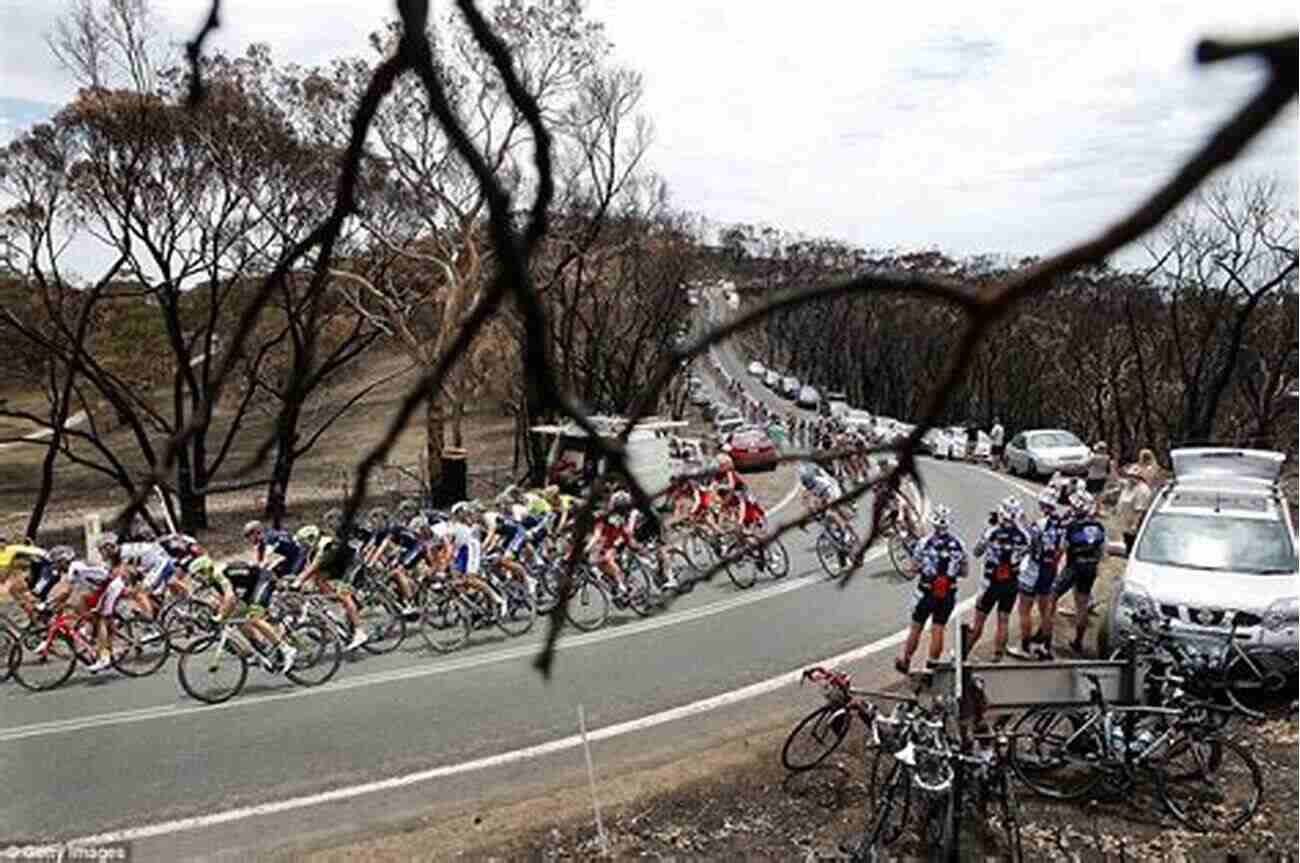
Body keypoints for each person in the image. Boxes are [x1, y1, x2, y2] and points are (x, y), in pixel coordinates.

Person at [896, 505, 967, 675]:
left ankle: (906, 660)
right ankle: (931, 666)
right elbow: (965, 572)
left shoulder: (924, 543)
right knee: (938, 628)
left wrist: (915, 569)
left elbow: (913, 569)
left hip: (926, 591)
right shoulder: (959, 544)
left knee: (916, 627)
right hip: (948, 592)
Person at [962, 497, 1032, 661]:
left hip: (990, 582)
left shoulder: (992, 531)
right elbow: (1029, 550)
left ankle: (964, 655)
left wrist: (989, 536)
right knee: (1003, 620)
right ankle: (997, 656)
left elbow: (977, 552)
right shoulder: (1024, 535)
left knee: (978, 622)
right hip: (1011, 582)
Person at [1047, 491, 1107, 655]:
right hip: (1090, 568)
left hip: (1074, 566)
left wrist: (1054, 564)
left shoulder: (1072, 526)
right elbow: (1102, 552)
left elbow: (1062, 549)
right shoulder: (1099, 526)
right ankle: (1078, 642)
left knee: (1051, 597)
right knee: (1082, 605)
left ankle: (1046, 636)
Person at [1011, 489, 1067, 659]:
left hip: (1035, 569)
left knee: (1024, 610)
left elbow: (1030, 542)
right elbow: (1062, 547)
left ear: (1043, 505)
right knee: (1046, 611)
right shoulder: (1062, 523)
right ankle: (1045, 647)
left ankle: (1025, 647)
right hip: (1050, 569)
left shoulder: (1039, 524)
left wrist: (1021, 522)